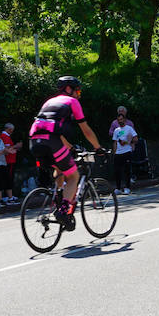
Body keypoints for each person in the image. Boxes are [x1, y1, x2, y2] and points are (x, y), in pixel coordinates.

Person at [28, 76, 104, 230]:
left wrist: (70, 147)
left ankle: (58, 197)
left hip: (34, 141)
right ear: (69, 89)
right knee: (74, 176)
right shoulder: (72, 102)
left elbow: (52, 128)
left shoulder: (49, 102)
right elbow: (86, 130)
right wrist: (98, 148)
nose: (78, 94)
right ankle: (63, 211)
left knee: (59, 169)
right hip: (52, 141)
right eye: (77, 90)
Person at [111, 113, 138, 194]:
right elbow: (115, 142)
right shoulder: (116, 130)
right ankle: (118, 188)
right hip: (118, 153)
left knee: (127, 170)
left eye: (121, 119)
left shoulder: (129, 128)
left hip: (127, 152)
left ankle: (127, 187)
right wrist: (114, 152)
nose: (120, 121)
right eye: (118, 120)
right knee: (117, 171)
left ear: (124, 120)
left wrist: (128, 142)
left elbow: (136, 139)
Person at [0, 123, 20, 200]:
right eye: (11, 130)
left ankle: (9, 195)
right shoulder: (4, 136)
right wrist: (16, 146)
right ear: (8, 129)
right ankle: (8, 196)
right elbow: (6, 149)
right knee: (8, 178)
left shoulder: (6, 136)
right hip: (9, 161)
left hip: (10, 160)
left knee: (9, 178)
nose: (12, 131)